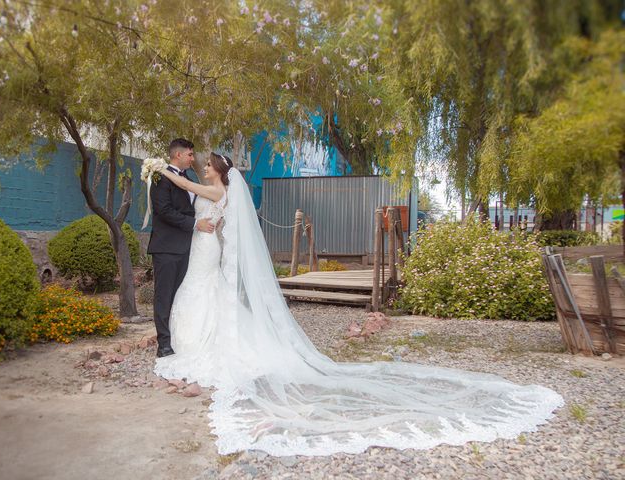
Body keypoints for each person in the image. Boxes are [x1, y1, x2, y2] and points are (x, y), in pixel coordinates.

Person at [152, 155, 564, 457]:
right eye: (199, 163)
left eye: (206, 164)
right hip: (205, 246)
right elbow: (204, 211)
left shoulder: (214, 187)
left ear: (219, 173)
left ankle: (202, 343)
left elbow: (192, 191)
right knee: (202, 291)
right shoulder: (222, 190)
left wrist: (163, 169)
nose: (201, 167)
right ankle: (194, 339)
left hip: (208, 249)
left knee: (208, 293)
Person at [147, 138, 215, 358]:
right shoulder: (160, 177)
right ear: (178, 155)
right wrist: (196, 224)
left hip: (187, 247)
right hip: (166, 247)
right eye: (190, 155)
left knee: (180, 295)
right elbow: (163, 211)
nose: (192, 158)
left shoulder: (188, 178)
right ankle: (164, 344)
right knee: (164, 295)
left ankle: (177, 336)